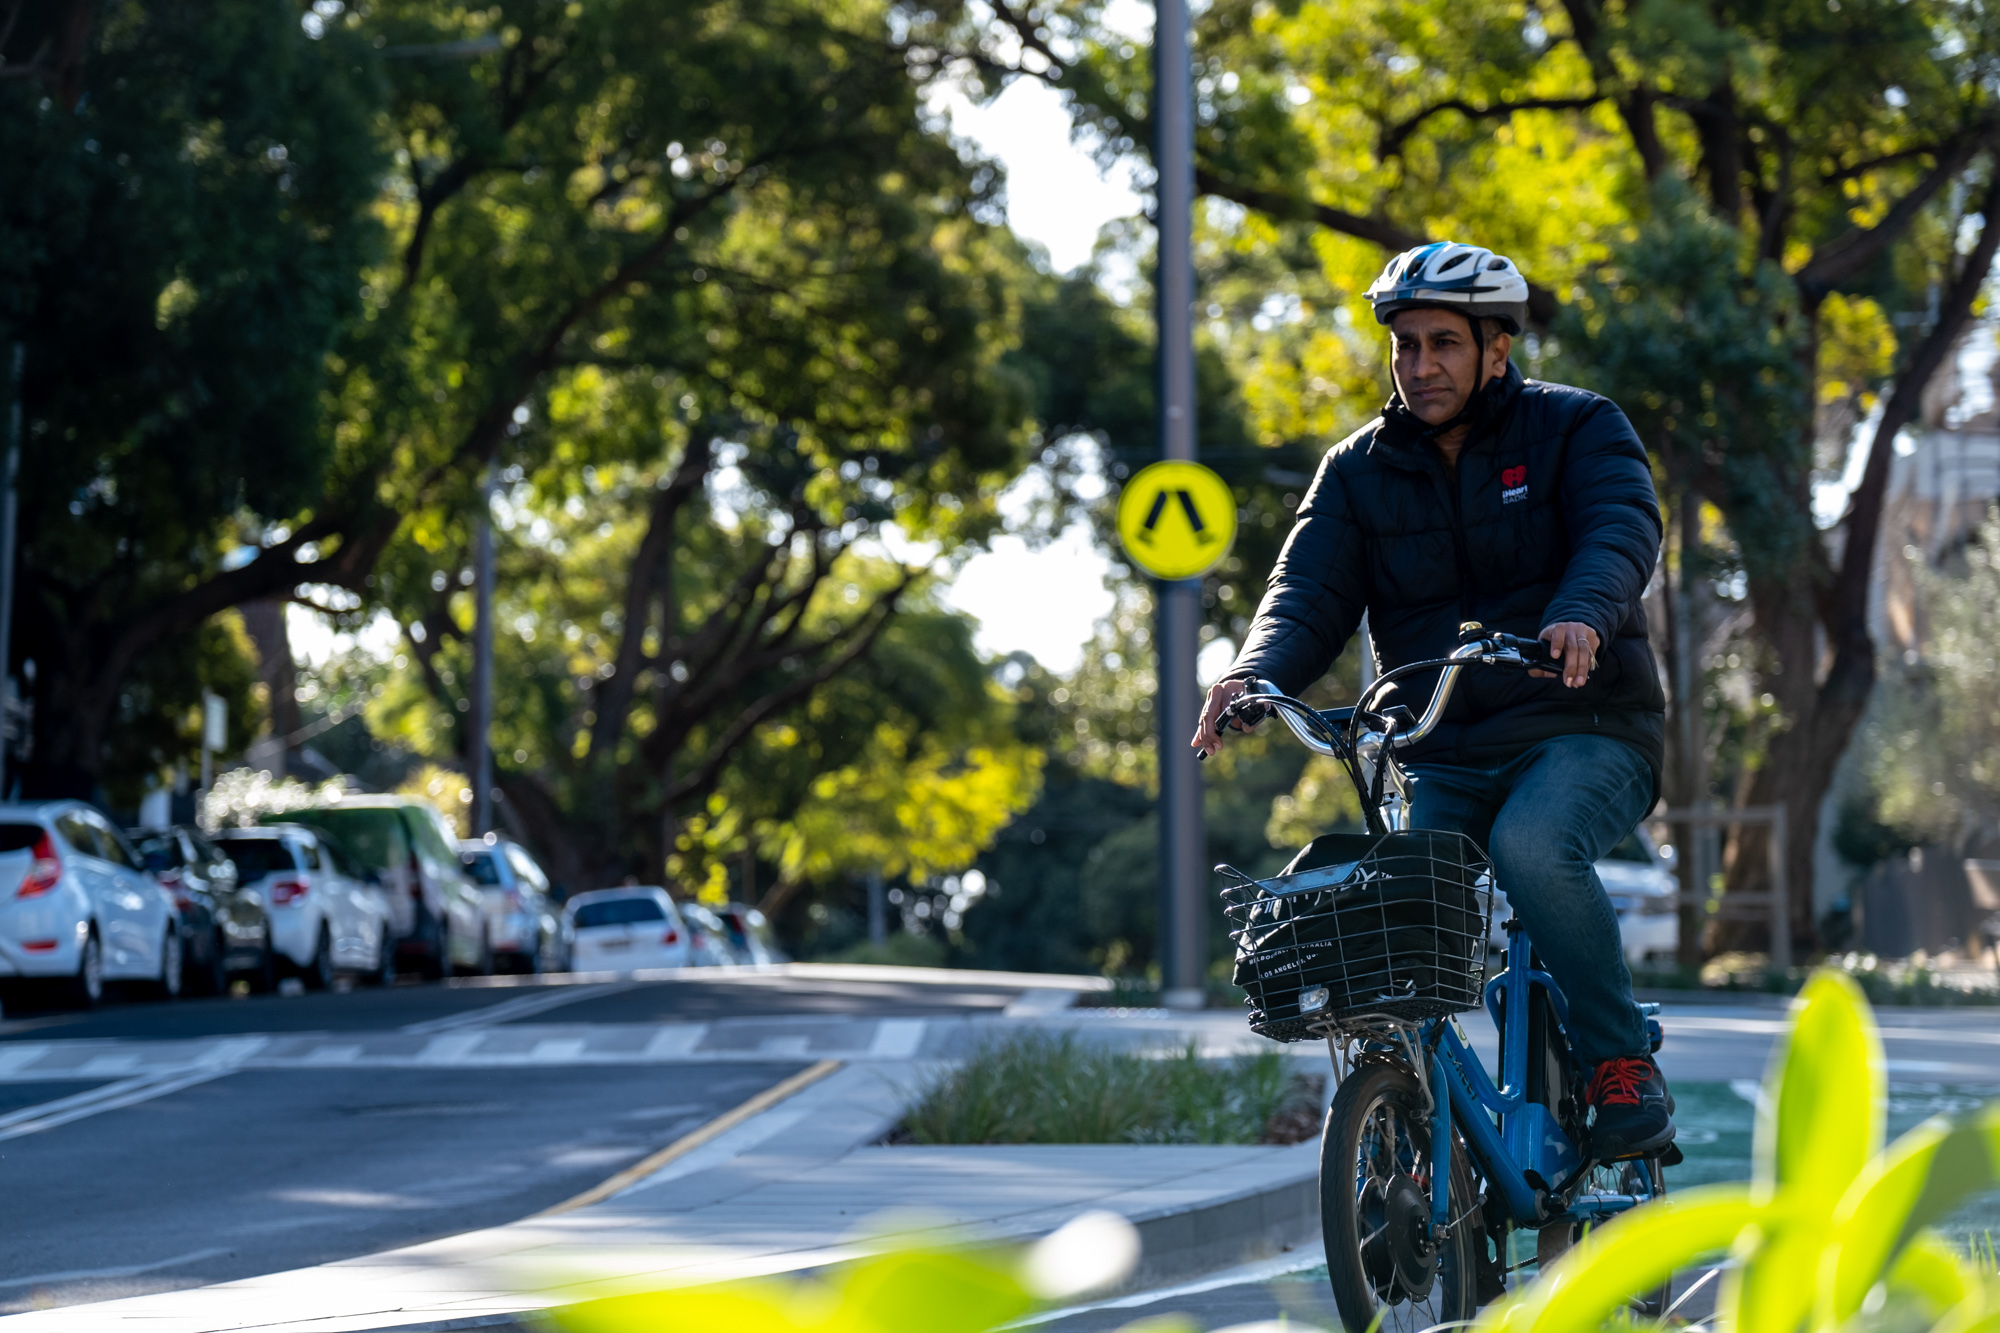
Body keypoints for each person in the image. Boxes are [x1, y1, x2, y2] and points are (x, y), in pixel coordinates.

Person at [1191, 241, 1675, 1161]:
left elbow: (1621, 527)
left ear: (1498, 347)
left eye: (1443, 343)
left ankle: (1618, 1060)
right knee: (1394, 912)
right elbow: (1306, 593)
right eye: (1405, 345)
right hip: (1442, 742)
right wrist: (1255, 675)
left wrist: (1581, 614)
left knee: (1531, 847)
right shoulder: (1356, 470)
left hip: (1585, 723)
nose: (1420, 366)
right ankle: (1412, 1111)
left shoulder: (1578, 427)